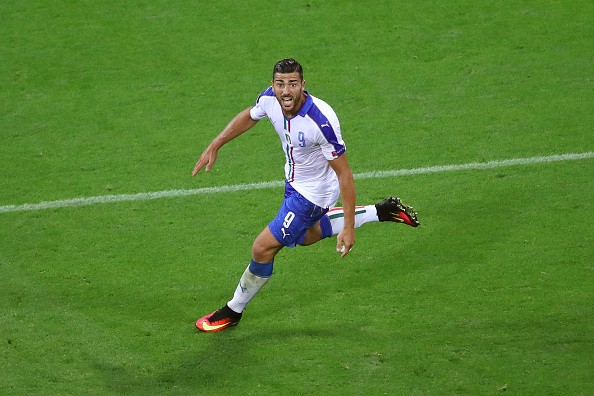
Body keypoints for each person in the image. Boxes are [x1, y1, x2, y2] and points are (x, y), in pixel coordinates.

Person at [192, 58, 419, 332]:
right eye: (280, 84)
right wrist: (216, 143)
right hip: (294, 183)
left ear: (303, 85)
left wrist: (348, 227)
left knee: (262, 248)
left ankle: (233, 310)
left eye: (292, 84)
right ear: (272, 85)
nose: (285, 91)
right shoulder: (269, 100)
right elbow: (250, 115)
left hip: (313, 196)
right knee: (307, 236)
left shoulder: (320, 121)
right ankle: (381, 211)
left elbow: (344, 174)